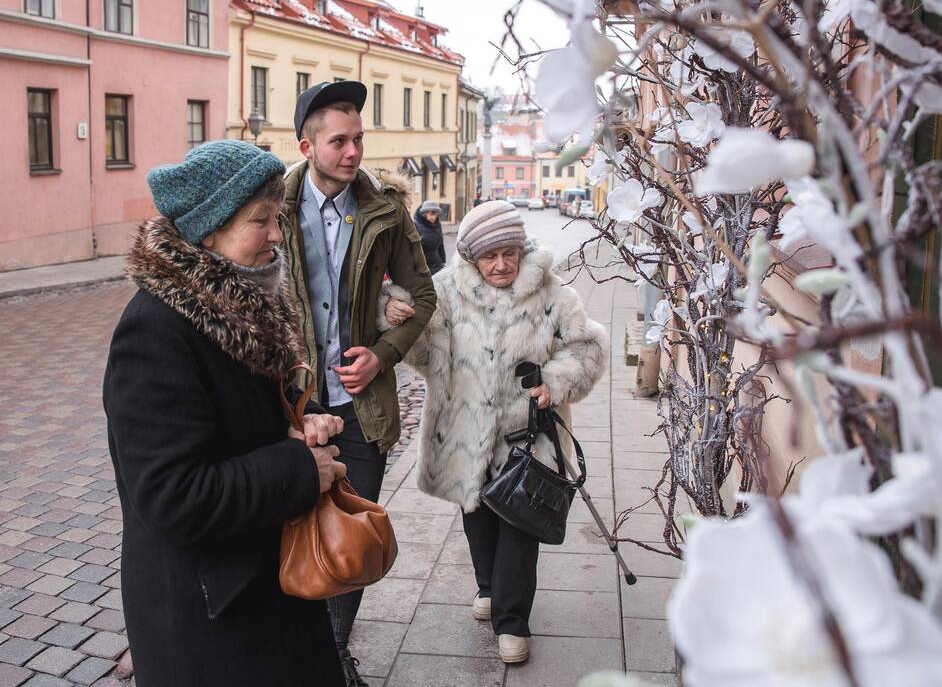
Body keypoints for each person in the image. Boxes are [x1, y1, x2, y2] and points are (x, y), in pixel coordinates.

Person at [103, 140, 349, 686]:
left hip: (266, 586)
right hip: (212, 614)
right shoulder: (155, 332)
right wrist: (298, 469)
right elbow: (172, 494)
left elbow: (255, 414)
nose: (278, 235)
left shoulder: (247, 300)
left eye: (277, 218)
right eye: (259, 221)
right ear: (208, 231)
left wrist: (304, 420)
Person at [380, 200, 607, 664]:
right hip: (463, 428)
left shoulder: (552, 294)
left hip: (529, 433)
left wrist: (555, 381)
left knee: (521, 522)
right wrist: (401, 322)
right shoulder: (444, 291)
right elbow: (425, 359)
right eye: (489, 256)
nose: (501, 265)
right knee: (477, 512)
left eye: (509, 252)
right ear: (469, 256)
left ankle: (512, 621)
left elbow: (587, 347)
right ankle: (487, 585)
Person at [281, 80, 436, 686]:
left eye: (358, 139)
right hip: (291, 406)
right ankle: (298, 651)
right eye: (339, 141)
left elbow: (422, 296)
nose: (352, 153)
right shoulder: (274, 206)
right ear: (307, 144)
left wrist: (381, 355)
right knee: (288, 529)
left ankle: (335, 654)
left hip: (358, 405)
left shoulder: (384, 211)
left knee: (351, 538)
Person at [413, 200, 447, 274]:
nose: (434, 217)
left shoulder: (438, 225)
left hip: (437, 266)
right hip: (423, 268)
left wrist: (443, 262)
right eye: (431, 214)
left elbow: (441, 246)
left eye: (435, 214)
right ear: (424, 214)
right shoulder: (415, 226)